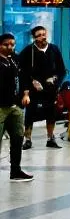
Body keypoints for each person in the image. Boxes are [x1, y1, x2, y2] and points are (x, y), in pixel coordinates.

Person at [19, 25, 66, 149]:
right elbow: (22, 72)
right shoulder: (28, 51)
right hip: (33, 88)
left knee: (51, 113)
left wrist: (55, 80)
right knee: (30, 113)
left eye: (44, 34)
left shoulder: (54, 49)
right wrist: (30, 84)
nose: (42, 37)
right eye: (39, 35)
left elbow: (62, 70)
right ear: (34, 38)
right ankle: (27, 139)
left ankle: (50, 138)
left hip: (50, 88)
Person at [0, 34, 32, 181]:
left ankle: (16, 171)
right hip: (1, 107)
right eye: (6, 45)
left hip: (16, 106)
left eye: (12, 44)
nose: (10, 47)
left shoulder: (15, 59)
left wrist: (25, 94)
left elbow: (23, 77)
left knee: (18, 138)